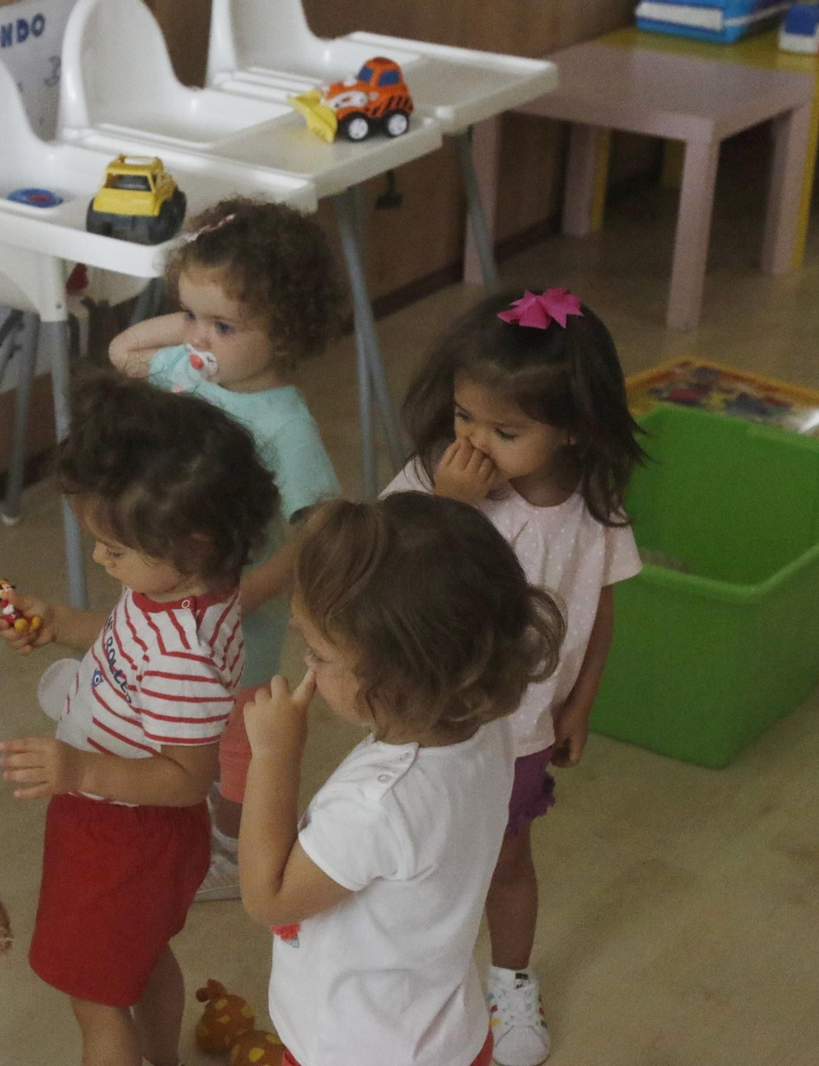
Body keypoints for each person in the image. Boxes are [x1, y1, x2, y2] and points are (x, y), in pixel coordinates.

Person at [387, 288, 646, 1066]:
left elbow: (597, 607)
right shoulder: (442, 482)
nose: (474, 441)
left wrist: (583, 702)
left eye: (506, 430)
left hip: (524, 726)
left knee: (506, 857)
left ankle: (508, 981)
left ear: (570, 427)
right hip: (430, 715)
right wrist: (454, 506)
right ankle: (413, 978)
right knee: (419, 854)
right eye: (465, 417)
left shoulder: (594, 507)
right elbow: (396, 570)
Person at [0, 372, 279, 1066]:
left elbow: (187, 778)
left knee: (96, 1001)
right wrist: (60, 622)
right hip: (130, 829)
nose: (98, 557)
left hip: (126, 832)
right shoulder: (182, 596)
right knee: (139, 964)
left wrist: (78, 767)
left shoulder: (185, 652)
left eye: (115, 550)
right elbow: (126, 647)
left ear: (195, 542)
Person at [240, 493, 565, 1066]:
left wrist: (272, 756)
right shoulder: (487, 733)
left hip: (358, 1050)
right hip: (445, 1032)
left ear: (395, 676)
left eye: (317, 651)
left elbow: (268, 898)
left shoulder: (374, 806)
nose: (307, 666)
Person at [109, 197, 343, 902]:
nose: (201, 339)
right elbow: (123, 352)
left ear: (287, 330)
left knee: (238, 750)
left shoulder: (284, 426)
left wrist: (256, 590)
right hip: (168, 596)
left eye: (225, 326)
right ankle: (187, 814)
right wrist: (193, 322)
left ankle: (236, 847)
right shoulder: (186, 366)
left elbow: (320, 529)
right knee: (175, 717)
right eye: (190, 316)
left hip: (241, 627)